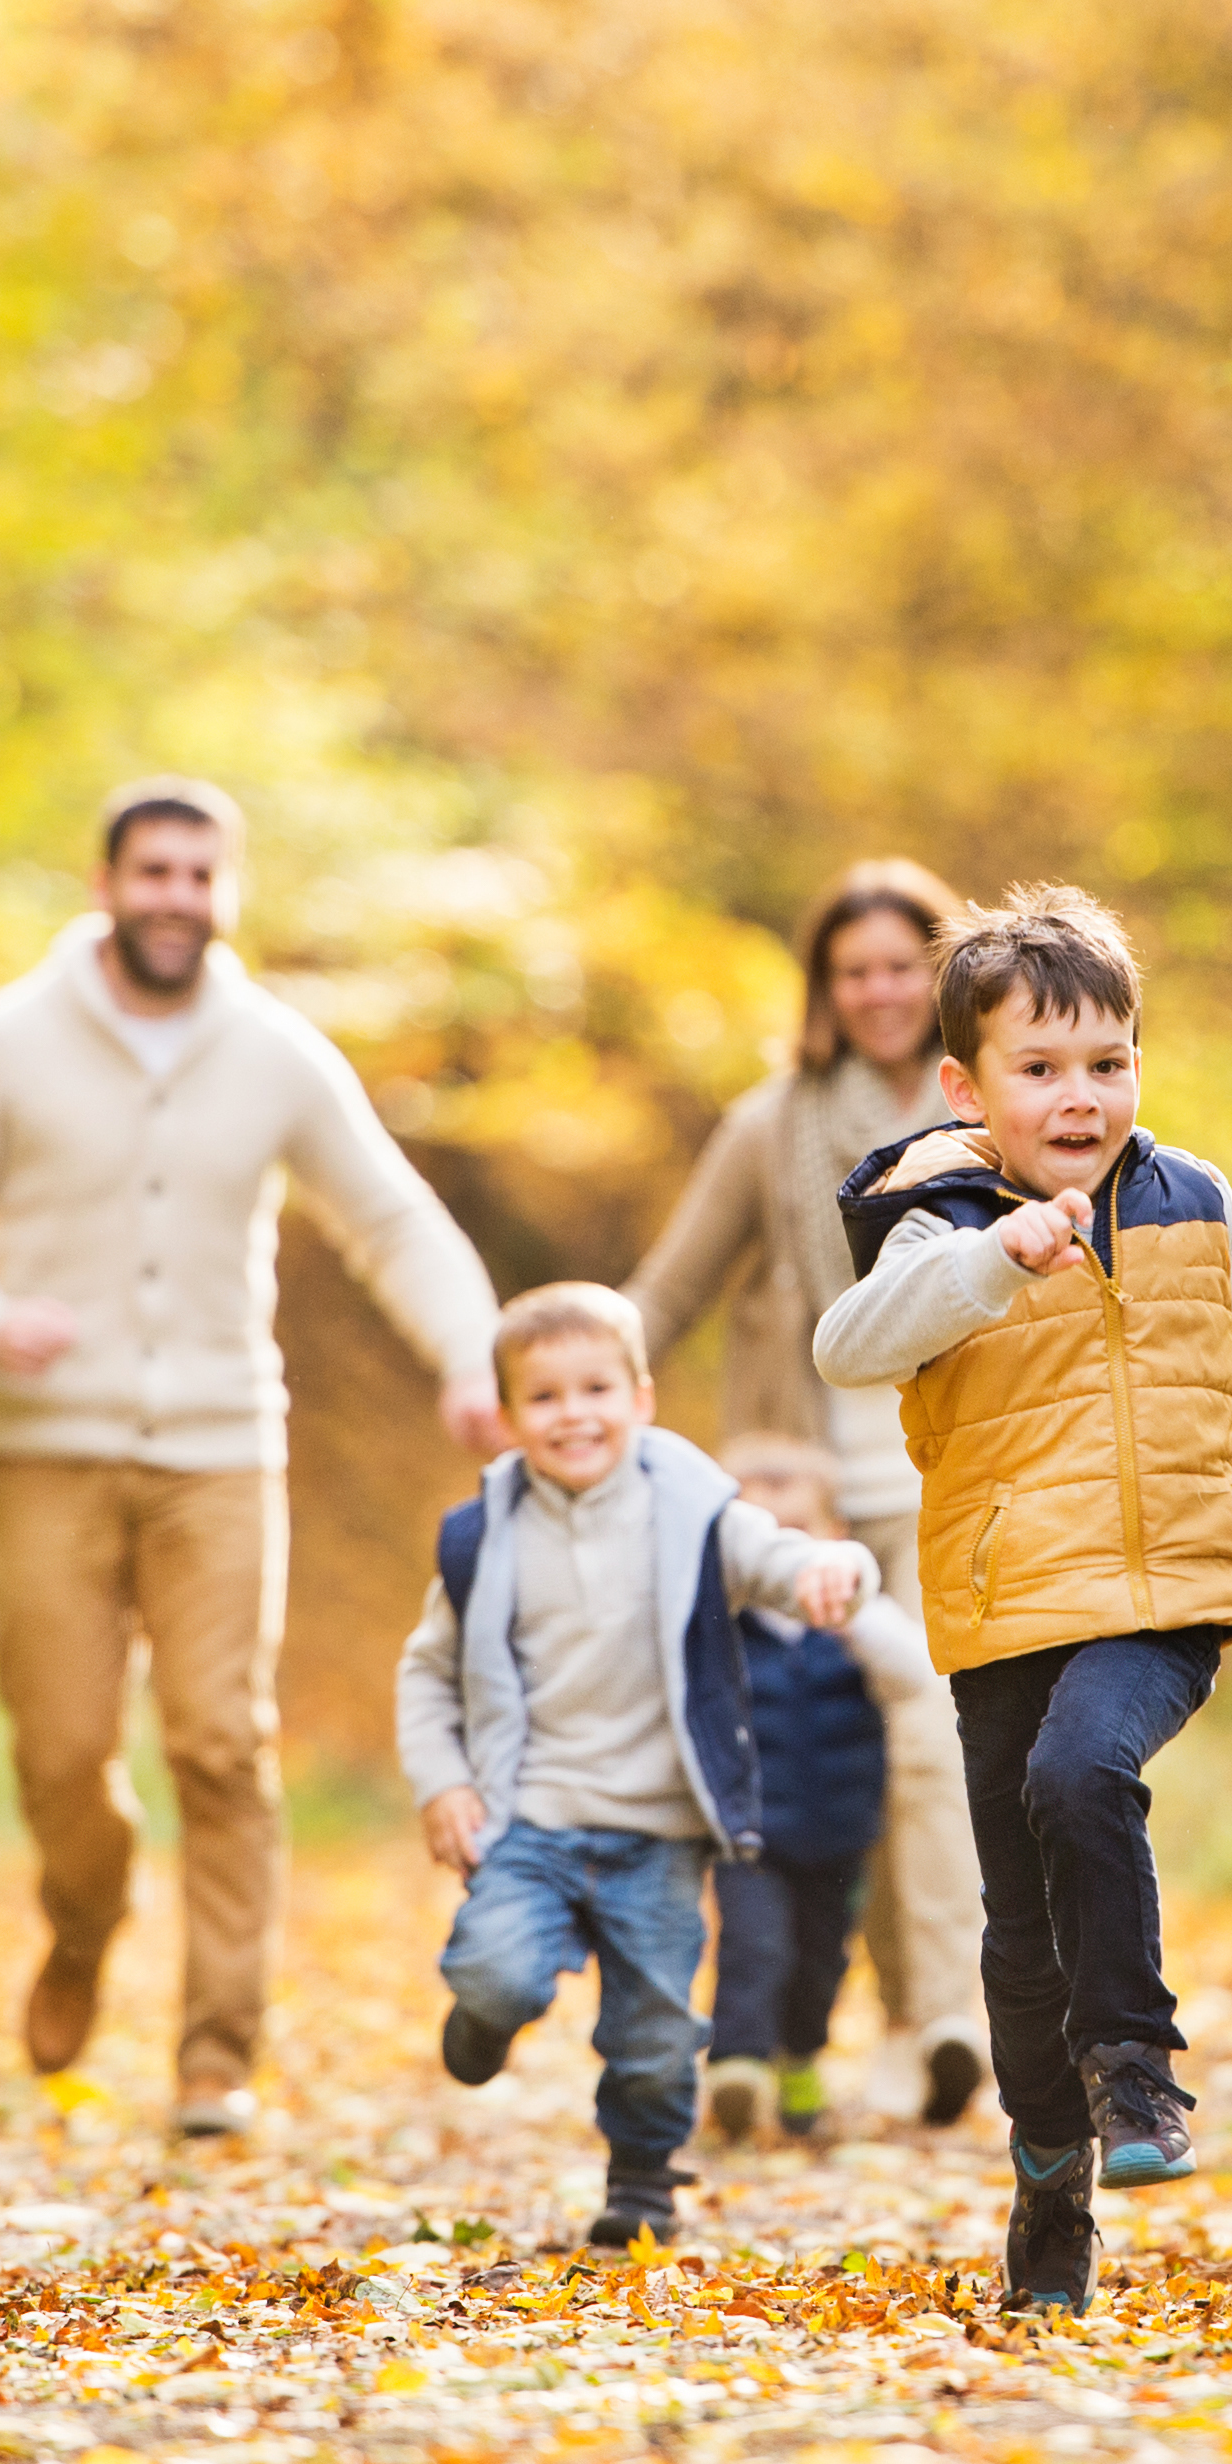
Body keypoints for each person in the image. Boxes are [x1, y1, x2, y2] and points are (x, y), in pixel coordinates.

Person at [812, 885, 1232, 2317]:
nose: (1079, 1096)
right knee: (1014, 1929)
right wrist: (995, 1259)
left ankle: (1138, 2078)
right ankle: (1052, 2166)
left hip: (1166, 1590)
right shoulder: (941, 1222)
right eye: (1039, 1069)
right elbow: (851, 1345)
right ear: (966, 1088)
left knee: (1082, 1771)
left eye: (1106, 1064)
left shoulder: (1189, 1203)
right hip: (1005, 1608)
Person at [0, 777, 507, 2140]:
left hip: (223, 1451)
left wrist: (470, 1358)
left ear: (230, 894)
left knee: (221, 1741)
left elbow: (390, 1220)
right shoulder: (8, 1042)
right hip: (49, 1451)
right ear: (104, 886)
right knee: (61, 1749)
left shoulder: (276, 1053)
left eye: (200, 876)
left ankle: (217, 2055)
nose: (176, 897)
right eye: (151, 872)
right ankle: (84, 1920)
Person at [626, 859, 993, 2124]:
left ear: (943, 974)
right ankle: (792, 2028)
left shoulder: (997, 1118)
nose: (882, 990)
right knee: (805, 1766)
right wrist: (568, 1385)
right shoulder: (771, 1125)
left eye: (903, 964)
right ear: (824, 990)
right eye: (855, 971)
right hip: (801, 1499)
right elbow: (666, 1290)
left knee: (932, 1747)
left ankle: (942, 2016)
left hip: (948, 1477)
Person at [397, 1285, 875, 2252]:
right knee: (494, 1973)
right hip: (529, 1817)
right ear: (505, 1417)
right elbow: (427, 1672)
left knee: (655, 2031)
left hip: (656, 1830)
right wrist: (443, 1782)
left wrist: (838, 1575)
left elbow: (783, 1558)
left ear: (641, 1399)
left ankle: (644, 2180)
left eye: (595, 1389)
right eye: (544, 1397)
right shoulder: (482, 1538)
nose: (574, 1414)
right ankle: (485, 2020)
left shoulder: (695, 1516)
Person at [700, 1433, 935, 2146]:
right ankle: (736, 2063)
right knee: (754, 1945)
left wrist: (850, 1607)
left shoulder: (858, 1627)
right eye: (760, 1539)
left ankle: (800, 2057)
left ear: (835, 1538)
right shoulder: (722, 1627)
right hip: (749, 1831)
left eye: (797, 1535)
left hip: (839, 1829)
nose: (782, 1559)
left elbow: (913, 1676)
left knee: (821, 1961)